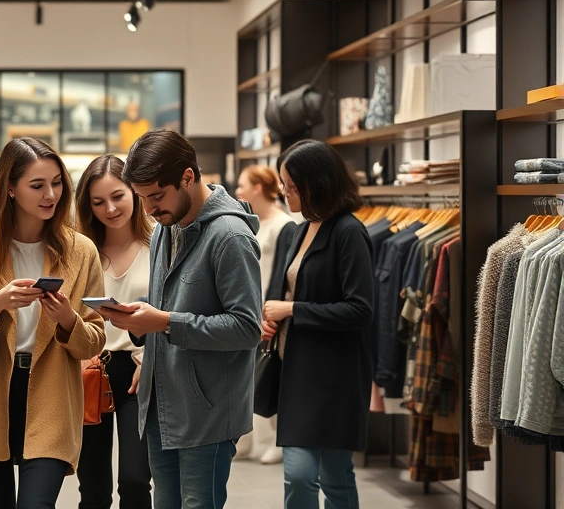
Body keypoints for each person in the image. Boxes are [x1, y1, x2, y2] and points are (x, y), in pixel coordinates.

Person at [98, 129, 263, 509]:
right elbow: (168, 302)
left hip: (206, 411)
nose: (150, 208)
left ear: (188, 176)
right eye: (142, 199)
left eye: (156, 196)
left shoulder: (229, 236)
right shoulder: (165, 229)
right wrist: (135, 314)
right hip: (161, 404)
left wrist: (165, 322)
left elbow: (246, 327)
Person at [0, 137, 107, 509]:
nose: (50, 194)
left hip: (52, 395)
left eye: (57, 183)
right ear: (10, 189)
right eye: (37, 185)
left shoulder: (81, 251)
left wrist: (67, 320)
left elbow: (94, 341)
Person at [262, 139, 373, 509]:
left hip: (335, 375)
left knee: (336, 477)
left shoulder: (349, 232)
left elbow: (360, 310)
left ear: (318, 184)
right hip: (296, 369)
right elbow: (283, 294)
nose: (284, 192)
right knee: (299, 474)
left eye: (292, 186)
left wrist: (292, 311)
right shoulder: (296, 231)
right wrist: (271, 319)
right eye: (284, 184)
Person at [74, 155, 153, 509]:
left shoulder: (160, 244)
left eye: (118, 196)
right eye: (98, 201)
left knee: (136, 481)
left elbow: (171, 313)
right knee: (92, 488)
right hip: (91, 370)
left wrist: (148, 359)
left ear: (134, 191)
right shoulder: (79, 251)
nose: (110, 208)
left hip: (141, 371)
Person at [234, 164, 297, 465]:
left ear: (258, 187)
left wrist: (269, 310)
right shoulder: (250, 222)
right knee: (245, 375)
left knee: (266, 371)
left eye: (243, 185)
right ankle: (244, 438)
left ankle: (274, 438)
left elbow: (282, 273)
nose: (238, 191)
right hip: (247, 306)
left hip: (267, 308)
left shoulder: (285, 225)